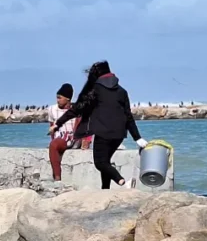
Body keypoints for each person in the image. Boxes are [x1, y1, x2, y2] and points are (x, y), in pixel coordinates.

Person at [49, 61, 147, 189]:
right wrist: (137, 138)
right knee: (105, 162)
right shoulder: (122, 91)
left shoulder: (95, 90)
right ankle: (105, 189)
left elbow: (77, 109)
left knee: (100, 163)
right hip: (119, 134)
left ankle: (123, 182)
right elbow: (128, 116)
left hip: (103, 133)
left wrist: (58, 123)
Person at [47, 83, 80, 181]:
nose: (57, 100)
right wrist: (53, 140)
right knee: (54, 145)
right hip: (59, 139)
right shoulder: (52, 109)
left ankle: (57, 178)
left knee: (55, 144)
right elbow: (52, 126)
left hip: (72, 139)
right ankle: (57, 177)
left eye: (60, 98)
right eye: (57, 98)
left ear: (68, 99)